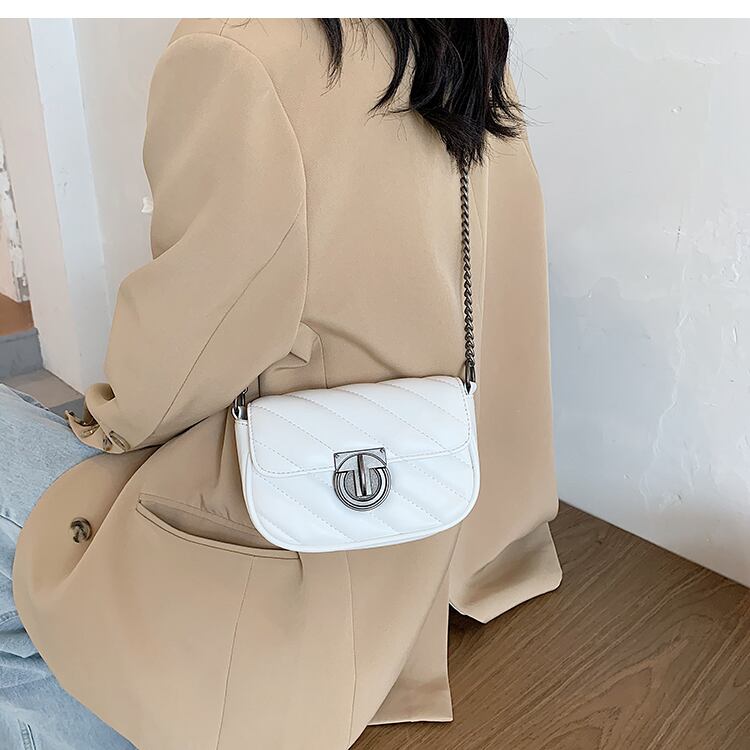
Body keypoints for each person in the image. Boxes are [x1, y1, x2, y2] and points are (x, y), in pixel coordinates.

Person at [1, 18, 562, 750]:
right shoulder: (458, 36)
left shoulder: (236, 50)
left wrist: (108, 420)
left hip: (300, 567)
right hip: (458, 541)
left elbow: (177, 359)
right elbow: (502, 298)